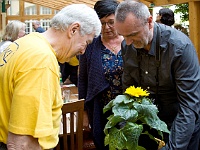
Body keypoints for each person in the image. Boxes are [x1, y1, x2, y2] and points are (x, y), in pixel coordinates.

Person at [0, 4, 101, 150]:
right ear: (74, 29)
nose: (83, 50)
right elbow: (21, 143)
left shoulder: (24, 44)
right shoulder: (41, 60)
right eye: (86, 42)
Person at [114, 1, 200, 150]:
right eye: (123, 36)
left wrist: (172, 147)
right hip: (148, 128)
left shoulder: (180, 47)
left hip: (180, 128)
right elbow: (128, 90)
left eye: (133, 35)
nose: (127, 43)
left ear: (149, 22)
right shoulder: (127, 45)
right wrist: (125, 129)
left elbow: (189, 106)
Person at [78, 0, 124, 149]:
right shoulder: (90, 46)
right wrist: (84, 112)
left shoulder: (130, 43)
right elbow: (83, 80)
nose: (107, 27)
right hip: (100, 110)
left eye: (111, 22)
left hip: (129, 110)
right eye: (102, 23)